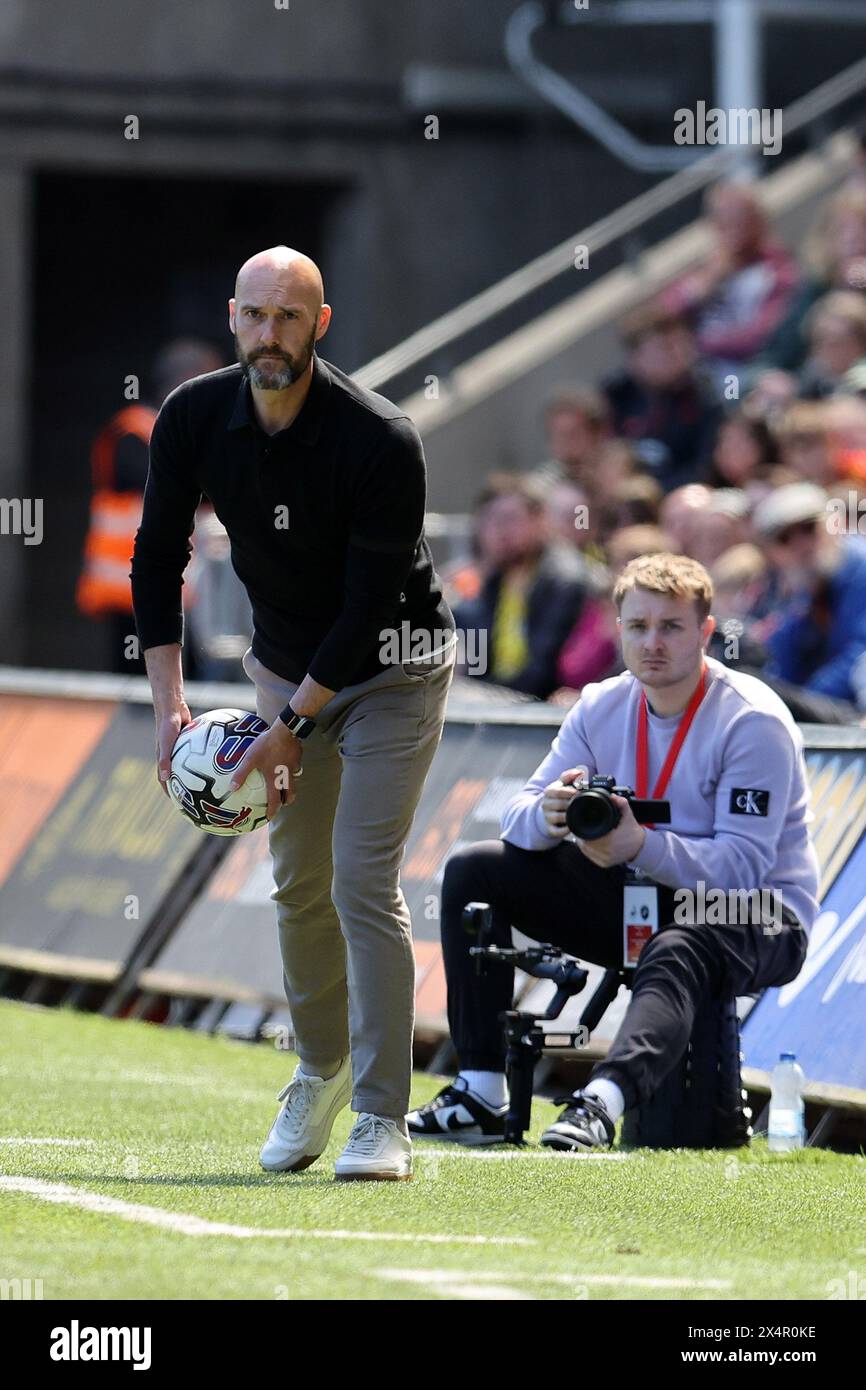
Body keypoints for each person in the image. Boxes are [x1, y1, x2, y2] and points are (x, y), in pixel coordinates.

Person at [131, 246, 457, 1182]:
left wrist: (291, 728)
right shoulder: (193, 415)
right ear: (234, 318)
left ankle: (383, 1119)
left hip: (391, 667)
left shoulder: (380, 437)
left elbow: (362, 616)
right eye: (255, 316)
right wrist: (171, 711)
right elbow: (156, 562)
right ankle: (317, 1072)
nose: (269, 336)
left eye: (290, 318)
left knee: (362, 880)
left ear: (321, 324)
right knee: (298, 884)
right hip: (280, 664)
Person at [408, 554, 817, 1150]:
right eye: (638, 626)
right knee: (477, 867)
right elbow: (521, 809)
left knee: (685, 941)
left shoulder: (751, 721)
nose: (653, 643)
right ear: (618, 629)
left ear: (705, 633)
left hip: (759, 913)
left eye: (672, 627)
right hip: (642, 898)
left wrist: (638, 844)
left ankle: (600, 1103)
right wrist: (548, 815)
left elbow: (742, 868)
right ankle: (479, 1091)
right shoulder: (601, 704)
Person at [77, 338, 223, 672]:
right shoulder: (134, 430)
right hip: (131, 587)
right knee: (136, 690)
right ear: (188, 379)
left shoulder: (186, 436)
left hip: (178, 589)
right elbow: (170, 483)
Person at [452, 473, 592, 699]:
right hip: (500, 697)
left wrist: (486, 693)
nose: (499, 531)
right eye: (489, 520)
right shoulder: (497, 580)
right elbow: (479, 662)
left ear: (540, 520)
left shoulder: (564, 580)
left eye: (509, 519)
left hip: (542, 705)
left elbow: (542, 673)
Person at [659, 183, 799, 388]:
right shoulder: (705, 269)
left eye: (741, 219)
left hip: (755, 375)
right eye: (723, 221)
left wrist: (697, 347)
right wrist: (702, 287)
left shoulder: (779, 269)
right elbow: (659, 318)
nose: (732, 228)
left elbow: (761, 337)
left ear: (759, 221)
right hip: (700, 381)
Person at [603, 304, 721, 493]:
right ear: (636, 357)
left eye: (681, 345)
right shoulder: (616, 395)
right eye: (665, 348)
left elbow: (703, 469)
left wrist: (651, 491)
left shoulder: (704, 397)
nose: (679, 355)